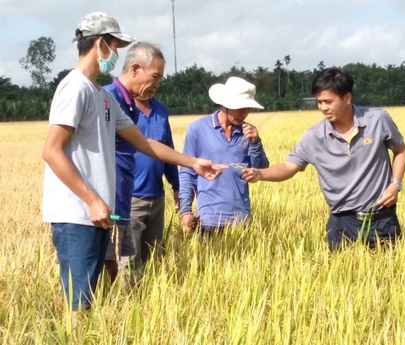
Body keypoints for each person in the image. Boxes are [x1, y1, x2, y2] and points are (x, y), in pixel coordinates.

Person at [42, 12, 224, 314]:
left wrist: (194, 163)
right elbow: (51, 151)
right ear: (101, 44)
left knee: (95, 298)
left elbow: (144, 143)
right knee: (79, 304)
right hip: (78, 215)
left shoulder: (102, 96)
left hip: (99, 214)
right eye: (115, 46)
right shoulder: (74, 87)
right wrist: (92, 200)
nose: (116, 54)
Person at [242, 67, 405, 251]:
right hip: (342, 225)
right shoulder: (315, 136)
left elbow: (400, 150)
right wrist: (260, 173)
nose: (323, 107)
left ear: (347, 98)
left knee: (387, 275)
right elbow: (289, 166)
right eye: (319, 102)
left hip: (382, 220)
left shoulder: (378, 119)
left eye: (328, 101)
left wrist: (395, 184)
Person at [103, 42, 179, 280]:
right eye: (155, 76)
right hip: (128, 198)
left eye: (160, 79)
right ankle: (126, 308)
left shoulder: (160, 110)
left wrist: (176, 185)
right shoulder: (109, 101)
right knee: (128, 262)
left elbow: (166, 149)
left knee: (153, 258)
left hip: (156, 197)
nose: (157, 84)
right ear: (135, 69)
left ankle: (146, 305)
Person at [179, 77, 269, 236]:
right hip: (207, 219)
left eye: (247, 108)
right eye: (240, 107)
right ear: (225, 104)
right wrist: (185, 210)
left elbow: (262, 170)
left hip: (241, 220)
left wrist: (256, 143)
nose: (244, 113)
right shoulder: (198, 129)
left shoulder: (248, 133)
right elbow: (187, 172)